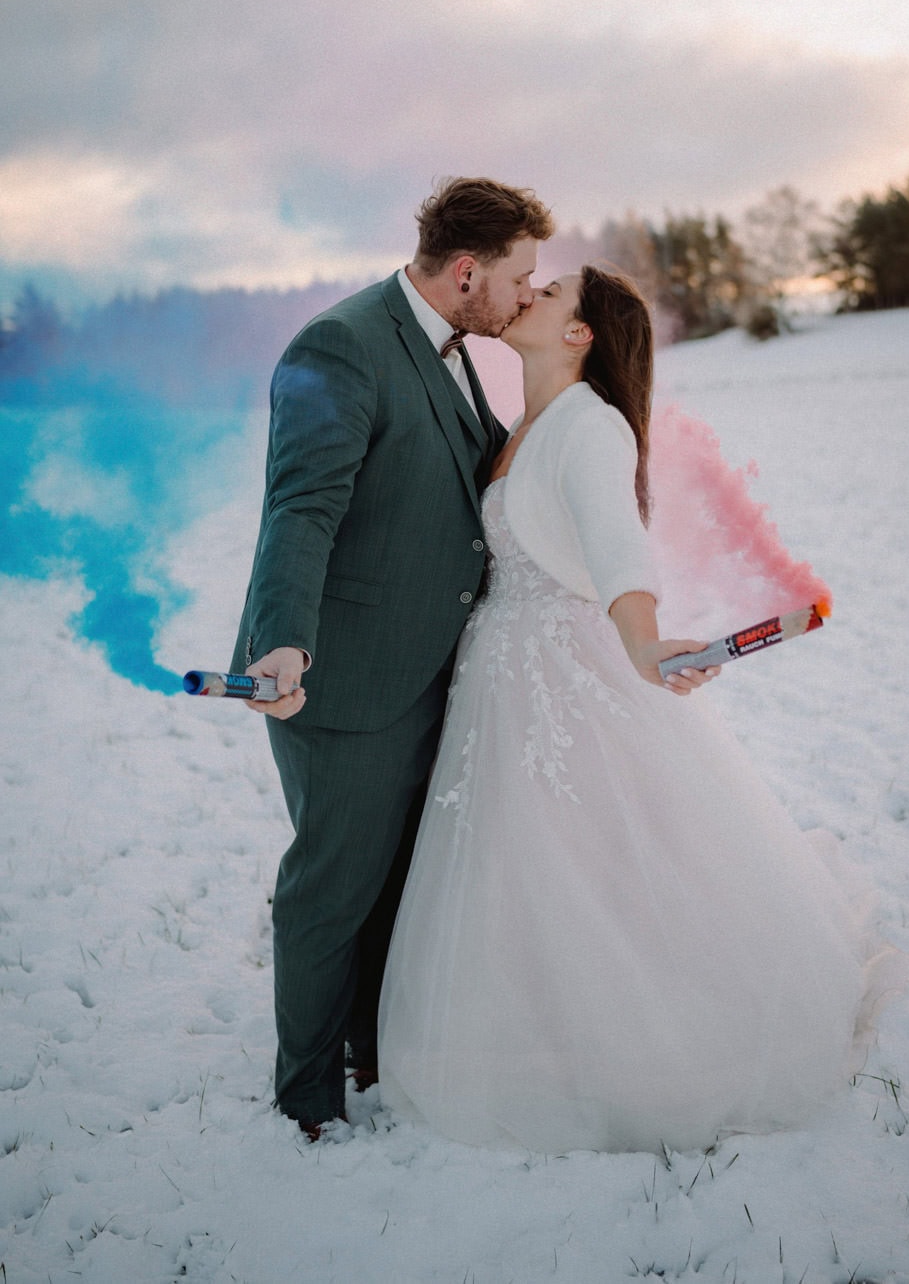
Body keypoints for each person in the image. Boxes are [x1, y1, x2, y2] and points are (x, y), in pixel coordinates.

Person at [377, 263, 904, 1156]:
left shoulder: (591, 425)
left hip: (557, 665)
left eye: (549, 293)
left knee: (586, 856)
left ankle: (640, 1036)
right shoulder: (525, 422)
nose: (528, 294)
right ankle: (540, 1025)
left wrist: (642, 639)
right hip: (502, 668)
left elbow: (620, 549)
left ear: (579, 333)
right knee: (524, 860)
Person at [232, 176, 555, 1139]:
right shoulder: (340, 344)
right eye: (519, 278)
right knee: (332, 891)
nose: (527, 296)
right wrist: (282, 642)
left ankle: (371, 1051)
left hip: (430, 665)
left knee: (398, 880)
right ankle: (306, 1101)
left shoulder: (452, 345)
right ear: (467, 272)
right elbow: (301, 506)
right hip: (343, 674)